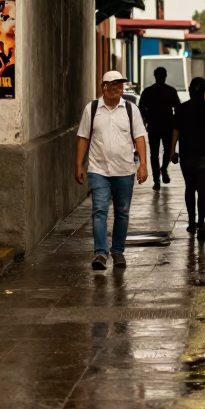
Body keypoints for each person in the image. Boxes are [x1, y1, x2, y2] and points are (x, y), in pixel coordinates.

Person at [75, 70, 148, 270]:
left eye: (120, 84)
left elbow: (140, 138)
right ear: (103, 87)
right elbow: (83, 138)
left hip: (125, 170)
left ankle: (117, 251)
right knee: (99, 211)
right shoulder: (92, 109)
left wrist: (143, 164)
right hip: (98, 170)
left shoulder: (131, 110)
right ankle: (100, 253)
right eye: (113, 84)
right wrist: (79, 165)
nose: (118, 88)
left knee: (122, 212)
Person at [171, 76, 205, 239]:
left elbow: (176, 131)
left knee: (189, 188)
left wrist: (172, 151)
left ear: (189, 90)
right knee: (203, 189)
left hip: (187, 155)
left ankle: (191, 222)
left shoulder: (181, 108)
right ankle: (201, 223)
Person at [139, 66, 181, 190]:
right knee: (168, 151)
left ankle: (156, 179)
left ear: (155, 76)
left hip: (153, 126)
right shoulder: (171, 91)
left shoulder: (148, 91)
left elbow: (141, 108)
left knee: (154, 153)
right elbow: (178, 108)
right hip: (168, 125)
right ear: (165, 76)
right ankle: (163, 169)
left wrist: (144, 121)